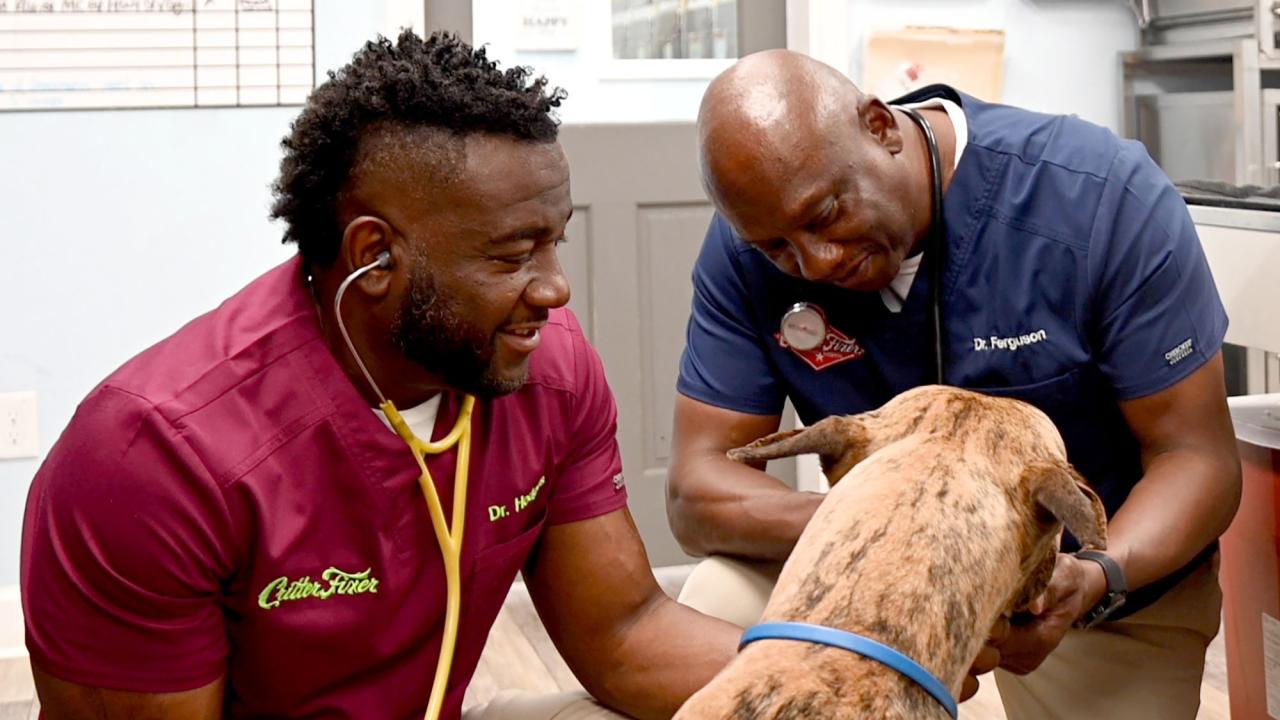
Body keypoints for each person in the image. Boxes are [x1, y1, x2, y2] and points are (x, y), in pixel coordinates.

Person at [21, 31, 739, 720]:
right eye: (512, 255)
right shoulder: (153, 458)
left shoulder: (547, 373)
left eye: (554, 242)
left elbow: (625, 633)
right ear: (375, 256)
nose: (555, 290)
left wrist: (838, 672)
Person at [667, 49, 1242, 719]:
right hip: (861, 578)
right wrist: (892, 528)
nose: (814, 261)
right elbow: (697, 487)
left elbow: (1197, 460)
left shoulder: (1098, 196)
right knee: (715, 603)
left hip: (1089, 593)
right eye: (777, 249)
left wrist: (1094, 574)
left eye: (825, 214)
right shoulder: (751, 243)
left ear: (881, 128)